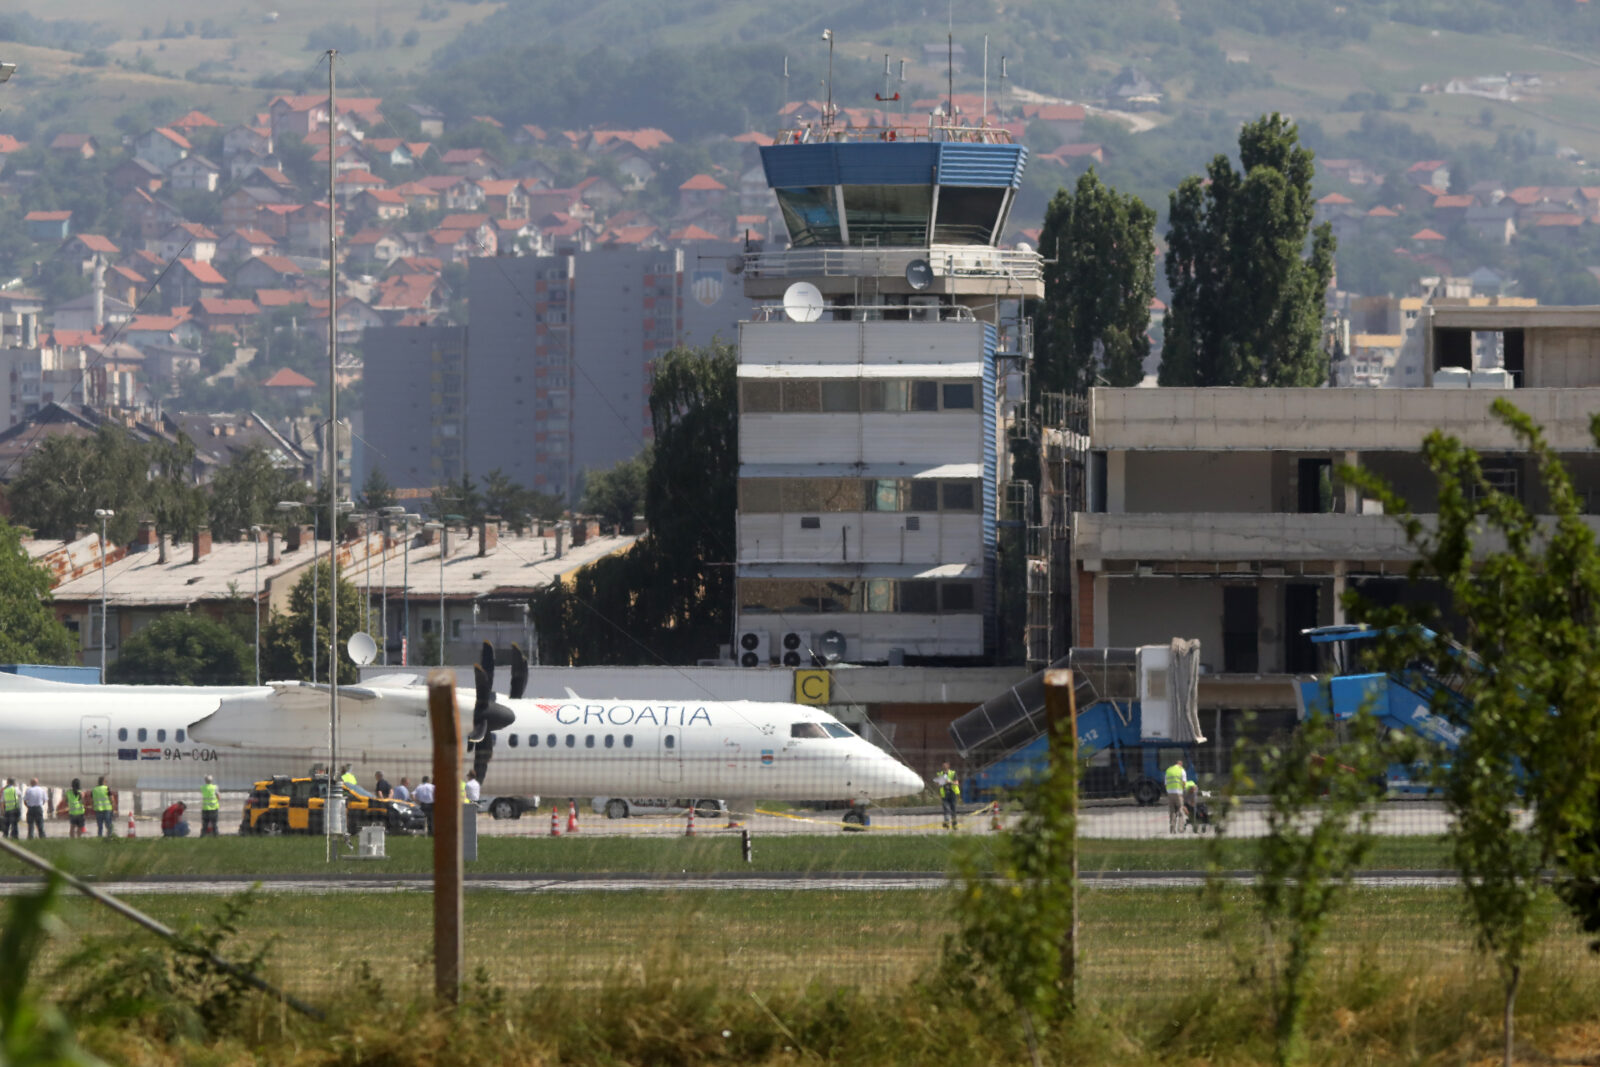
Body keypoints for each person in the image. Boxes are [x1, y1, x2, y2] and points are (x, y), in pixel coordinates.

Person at [1165, 758, 1190, 834]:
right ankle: (1180, 828)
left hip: (1169, 793)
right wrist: (1183, 791)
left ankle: (1172, 829)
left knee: (1172, 811)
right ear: (1180, 764)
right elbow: (1184, 783)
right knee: (1180, 811)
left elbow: (1165, 783)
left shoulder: (1168, 770)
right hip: (1178, 792)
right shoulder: (1181, 770)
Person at [934, 762, 961, 830]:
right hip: (944, 794)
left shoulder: (953, 773)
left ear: (948, 766)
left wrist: (950, 782)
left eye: (945, 766)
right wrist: (940, 783)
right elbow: (937, 784)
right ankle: (946, 823)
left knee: (953, 809)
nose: (944, 767)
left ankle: (954, 825)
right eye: (943, 766)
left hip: (952, 793)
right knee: (946, 809)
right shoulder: (940, 774)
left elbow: (956, 783)